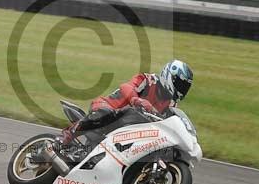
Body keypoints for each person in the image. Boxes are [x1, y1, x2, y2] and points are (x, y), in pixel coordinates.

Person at [57, 60, 194, 150]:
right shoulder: (148, 80)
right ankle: (68, 134)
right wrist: (136, 100)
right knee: (106, 113)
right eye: (180, 84)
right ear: (169, 76)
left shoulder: (170, 104)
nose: (182, 89)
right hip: (109, 107)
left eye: (185, 87)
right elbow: (126, 86)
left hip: (129, 127)